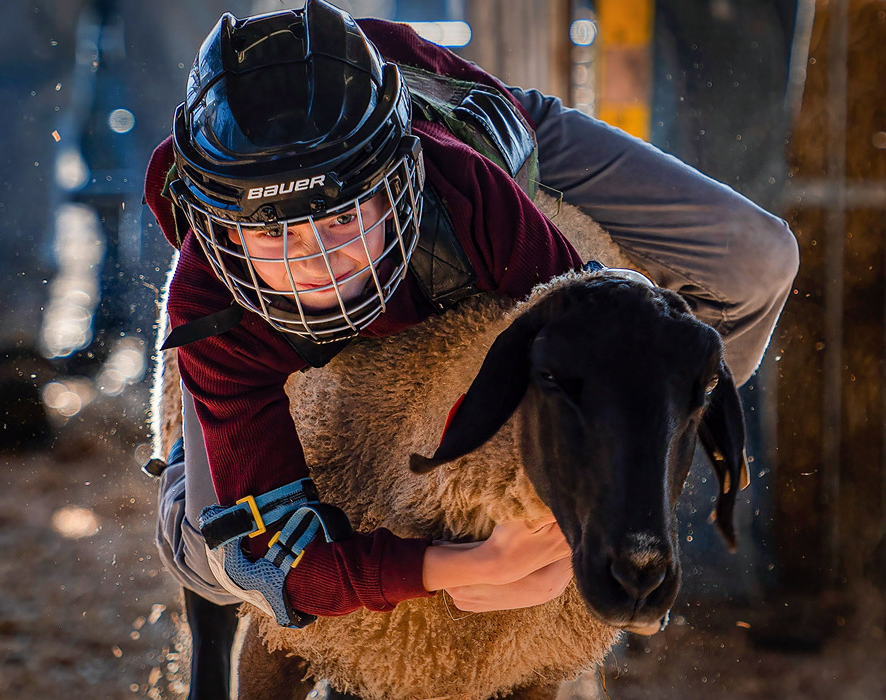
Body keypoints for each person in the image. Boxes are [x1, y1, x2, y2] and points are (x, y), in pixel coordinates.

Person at [145, 0, 797, 694]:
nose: (318, 260)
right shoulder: (214, 301)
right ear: (223, 232)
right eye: (277, 233)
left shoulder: (468, 199)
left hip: (476, 121)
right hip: (334, 182)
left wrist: (623, 475)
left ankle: (660, 438)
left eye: (340, 217)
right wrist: (453, 570)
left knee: (755, 262)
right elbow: (281, 559)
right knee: (219, 549)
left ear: (398, 182)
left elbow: (587, 337)